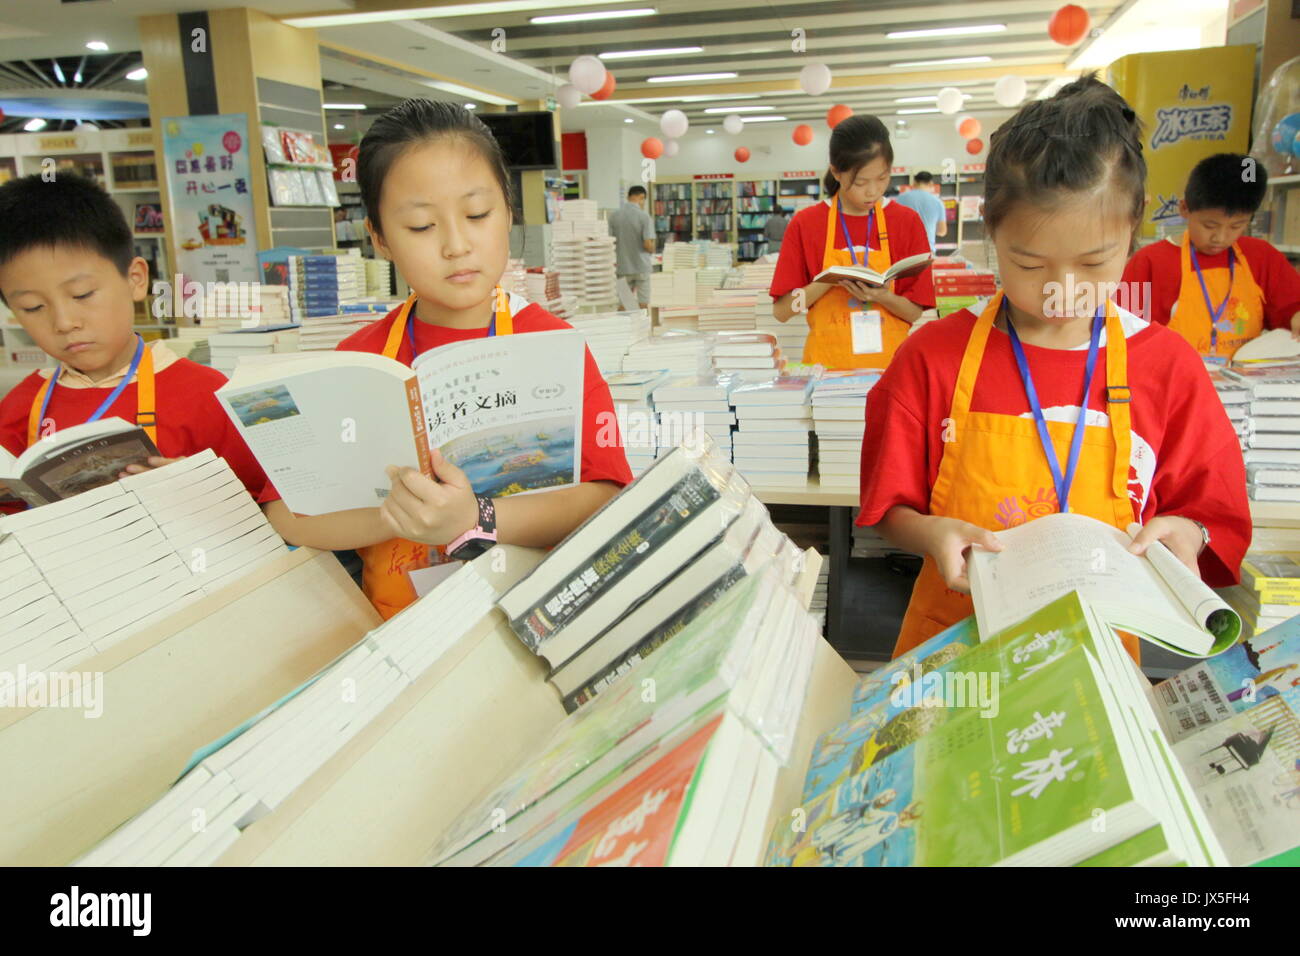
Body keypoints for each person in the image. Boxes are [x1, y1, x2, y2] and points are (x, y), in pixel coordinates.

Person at [856, 75, 1251, 660]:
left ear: (1134, 227)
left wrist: (1187, 533)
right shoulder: (931, 357)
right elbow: (888, 507)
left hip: (1098, 661)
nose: (1063, 291)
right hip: (955, 652)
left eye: (1094, 262)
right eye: (1029, 264)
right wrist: (929, 533)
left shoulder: (1167, 367)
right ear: (990, 227)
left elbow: (1208, 512)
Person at [262, 99, 633, 619]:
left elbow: (604, 496)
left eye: (477, 214)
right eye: (420, 226)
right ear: (379, 238)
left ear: (508, 210)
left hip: (529, 618)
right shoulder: (357, 360)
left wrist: (475, 516)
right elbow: (289, 515)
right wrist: (404, 516)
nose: (457, 245)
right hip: (397, 628)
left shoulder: (552, 345)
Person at [0, 172, 267, 513]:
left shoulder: (209, 396)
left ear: (135, 280)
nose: (64, 323)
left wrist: (207, 492)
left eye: (82, 294)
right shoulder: (21, 406)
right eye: (32, 307)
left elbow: (266, 507)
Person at [770, 115, 935, 370]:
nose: (873, 191)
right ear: (836, 171)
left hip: (890, 370)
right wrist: (825, 281)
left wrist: (880, 295)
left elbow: (913, 313)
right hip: (826, 374)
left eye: (882, 178)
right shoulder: (806, 223)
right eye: (860, 182)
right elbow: (783, 311)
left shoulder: (906, 222)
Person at [1121, 153, 1300, 359]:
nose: (1220, 237)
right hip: (1175, 379)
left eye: (1236, 226)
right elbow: (1122, 330)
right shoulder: (1149, 261)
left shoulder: (1261, 256)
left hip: (1245, 378)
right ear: (1184, 208)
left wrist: (1295, 315)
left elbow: (1290, 306)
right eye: (1209, 225)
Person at [609, 185, 655, 309]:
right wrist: (652, 249)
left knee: (624, 303)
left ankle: (623, 325)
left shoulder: (614, 216)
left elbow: (610, 242)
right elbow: (647, 244)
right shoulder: (644, 217)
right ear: (641, 197)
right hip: (641, 267)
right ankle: (642, 326)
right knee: (643, 303)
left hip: (622, 267)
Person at [893, 171, 949, 252]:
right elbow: (942, 231)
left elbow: (894, 225)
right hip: (926, 249)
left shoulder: (901, 198)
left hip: (904, 249)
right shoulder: (938, 202)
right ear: (930, 184)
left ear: (914, 183)